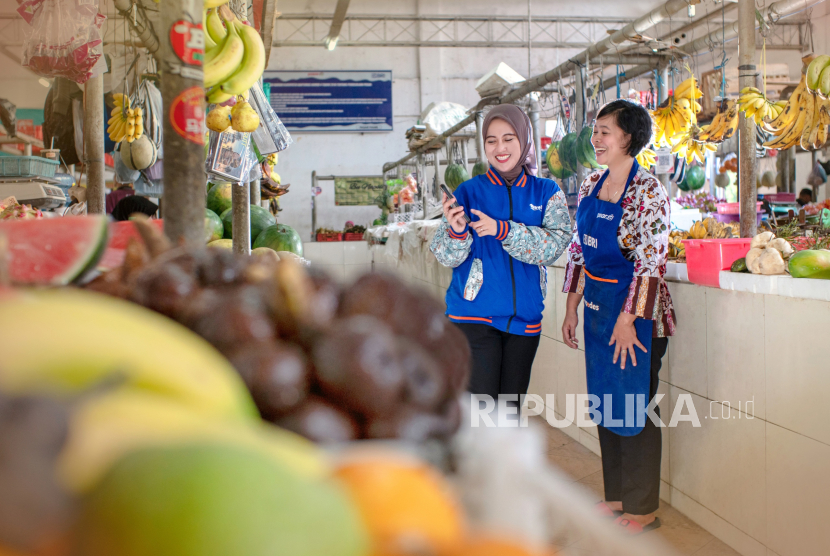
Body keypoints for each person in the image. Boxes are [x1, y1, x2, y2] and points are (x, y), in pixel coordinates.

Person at [561, 99, 675, 535]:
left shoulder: (649, 191)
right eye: (596, 130)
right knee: (607, 404)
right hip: (596, 310)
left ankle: (642, 509)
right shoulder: (592, 183)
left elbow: (651, 262)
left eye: (605, 131)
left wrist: (628, 319)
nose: (596, 138)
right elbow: (578, 249)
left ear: (629, 138)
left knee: (634, 407)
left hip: (639, 317)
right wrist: (571, 304)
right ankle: (616, 498)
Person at [429, 104, 572, 412]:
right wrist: (456, 231)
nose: (500, 148)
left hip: (525, 322)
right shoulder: (468, 191)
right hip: (472, 318)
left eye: (508, 138)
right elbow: (443, 254)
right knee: (480, 415)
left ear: (524, 139)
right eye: (491, 140)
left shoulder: (546, 192)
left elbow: (556, 245)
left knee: (509, 414)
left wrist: (502, 230)